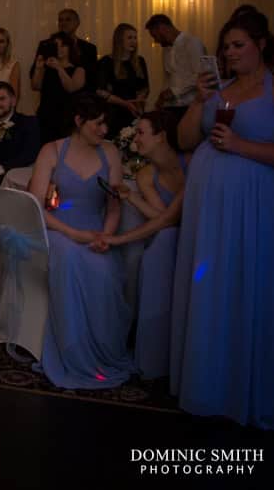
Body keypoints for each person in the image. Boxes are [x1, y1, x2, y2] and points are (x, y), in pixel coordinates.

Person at [171, 11, 274, 430]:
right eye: (227, 47)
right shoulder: (219, 91)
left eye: (239, 45)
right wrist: (199, 100)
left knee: (245, 287)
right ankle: (209, 384)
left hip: (254, 208)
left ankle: (243, 387)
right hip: (209, 212)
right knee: (212, 289)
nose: (231, 53)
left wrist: (240, 145)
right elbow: (184, 140)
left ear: (261, 44)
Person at [27, 95, 134, 389]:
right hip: (58, 228)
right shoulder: (52, 151)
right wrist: (73, 234)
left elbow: (114, 206)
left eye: (106, 124)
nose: (104, 130)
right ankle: (73, 353)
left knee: (105, 273)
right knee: (70, 260)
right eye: (98, 123)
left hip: (95, 229)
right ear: (79, 121)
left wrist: (106, 236)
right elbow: (36, 204)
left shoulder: (110, 152)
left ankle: (104, 351)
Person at [101, 111, 187, 379]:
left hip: (203, 234)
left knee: (158, 245)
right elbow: (165, 220)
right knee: (159, 246)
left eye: (141, 133)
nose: (135, 139)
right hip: (172, 234)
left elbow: (172, 217)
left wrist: (117, 239)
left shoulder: (193, 162)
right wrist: (132, 199)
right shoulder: (146, 175)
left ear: (161, 136)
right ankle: (152, 350)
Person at [145, 13, 206, 121]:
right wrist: (161, 99)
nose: (156, 41)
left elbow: (199, 75)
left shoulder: (192, 43)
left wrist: (174, 91)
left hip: (190, 106)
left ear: (162, 28)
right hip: (171, 107)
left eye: (155, 36)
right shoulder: (165, 49)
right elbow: (168, 77)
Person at [31, 32, 86, 144]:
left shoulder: (78, 69)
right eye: (56, 45)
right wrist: (38, 68)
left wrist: (59, 68)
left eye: (63, 45)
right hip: (46, 116)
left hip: (66, 118)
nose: (59, 49)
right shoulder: (47, 68)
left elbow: (71, 87)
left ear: (70, 47)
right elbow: (35, 86)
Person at [96, 23, 149, 137]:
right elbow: (100, 91)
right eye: (129, 37)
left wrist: (138, 102)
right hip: (113, 114)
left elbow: (145, 86)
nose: (133, 41)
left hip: (134, 113)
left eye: (135, 38)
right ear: (119, 40)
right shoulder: (106, 62)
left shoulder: (140, 61)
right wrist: (125, 103)